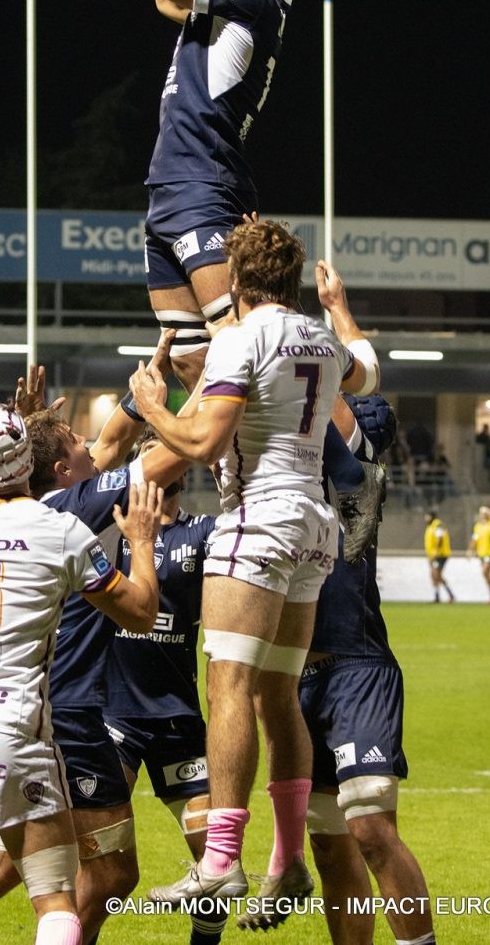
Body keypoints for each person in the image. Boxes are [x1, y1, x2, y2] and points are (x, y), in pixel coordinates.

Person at [130, 219, 379, 909]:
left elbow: (207, 443)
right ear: (294, 281)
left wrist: (155, 407)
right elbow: (370, 366)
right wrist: (340, 306)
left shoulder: (241, 336)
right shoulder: (317, 336)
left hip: (258, 522)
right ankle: (290, 860)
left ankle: (221, 860)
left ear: (234, 284)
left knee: (229, 686)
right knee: (276, 693)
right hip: (313, 526)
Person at [0, 402, 162, 945]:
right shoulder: (59, 529)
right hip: (13, 726)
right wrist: (141, 541)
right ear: (26, 458)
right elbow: (139, 614)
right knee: (54, 900)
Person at [241, 394, 436, 943]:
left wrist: (315, 331)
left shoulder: (358, 481)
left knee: (371, 829)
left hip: (357, 669)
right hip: (297, 682)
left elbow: (328, 399)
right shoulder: (283, 485)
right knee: (330, 847)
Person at [123, 0, 294, 391]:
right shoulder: (236, 7)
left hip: (203, 185)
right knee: (190, 358)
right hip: (175, 187)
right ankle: (231, 473)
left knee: (240, 341)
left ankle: (348, 458)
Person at [104, 430, 225, 945]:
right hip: (114, 716)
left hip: (177, 715)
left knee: (214, 856)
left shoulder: (205, 533)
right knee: (103, 857)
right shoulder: (108, 534)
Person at [467, 505, 490, 603]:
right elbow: (474, 539)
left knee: (485, 571)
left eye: (485, 513)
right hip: (482, 553)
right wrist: (470, 550)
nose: (483, 516)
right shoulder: (478, 526)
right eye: (481, 514)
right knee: (486, 574)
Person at [423, 509, 454, 603]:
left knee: (436, 574)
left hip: (440, 554)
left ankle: (449, 594)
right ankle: (438, 596)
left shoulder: (438, 525)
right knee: (434, 575)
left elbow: (440, 538)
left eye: (427, 516)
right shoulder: (430, 527)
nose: (425, 518)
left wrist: (436, 551)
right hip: (432, 555)